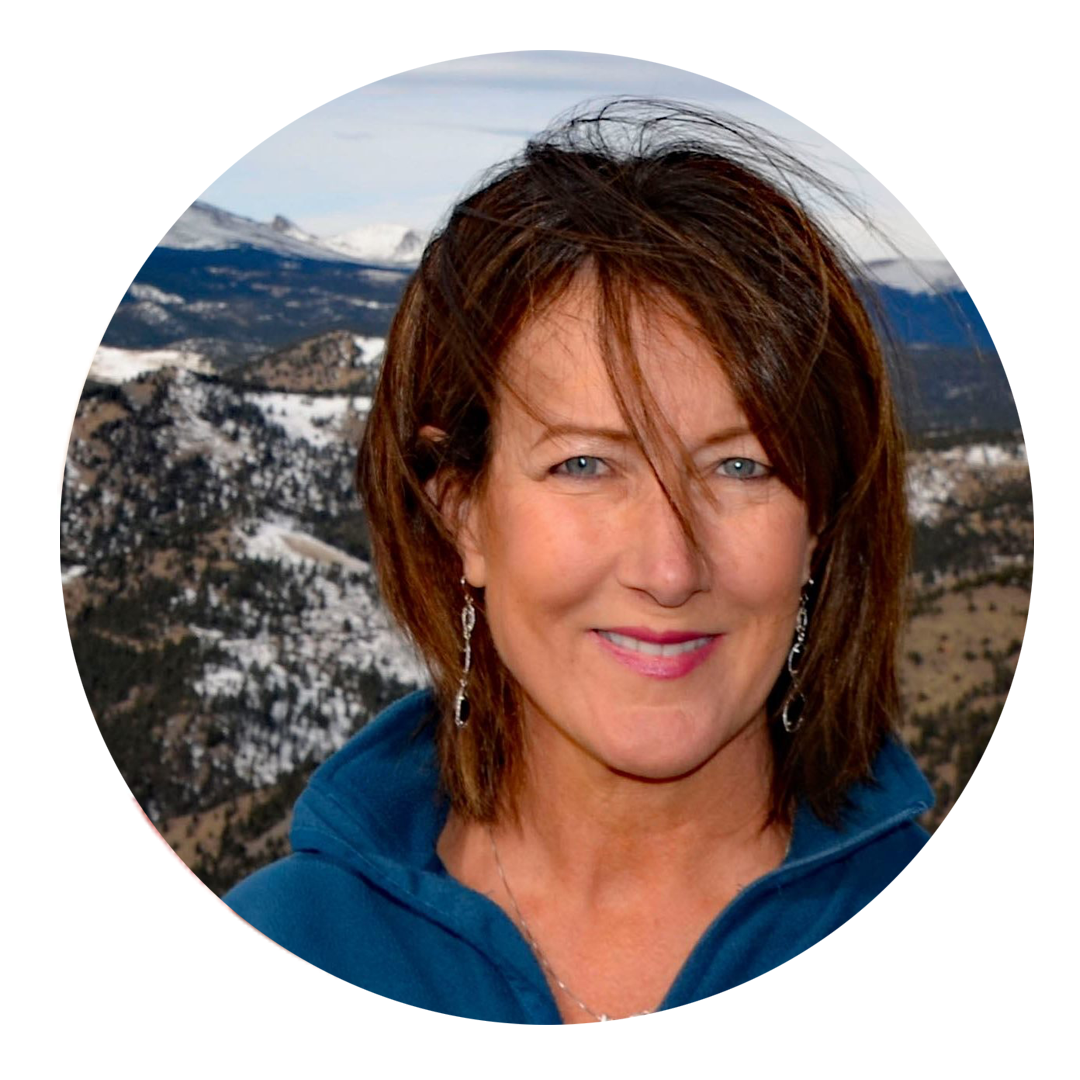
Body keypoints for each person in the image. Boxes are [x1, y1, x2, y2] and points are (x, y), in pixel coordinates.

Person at [223, 98, 934, 1023]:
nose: (670, 569)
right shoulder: (297, 935)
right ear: (463, 513)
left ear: (820, 521)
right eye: (585, 465)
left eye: (741, 466)